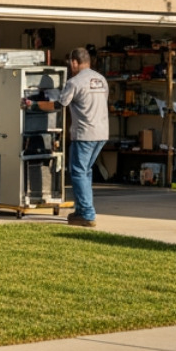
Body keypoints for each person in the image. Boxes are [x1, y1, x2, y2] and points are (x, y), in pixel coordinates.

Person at [39, 48, 109, 227]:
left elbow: (59, 104)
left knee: (78, 172)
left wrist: (33, 104)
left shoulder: (74, 82)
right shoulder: (101, 80)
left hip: (84, 134)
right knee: (85, 172)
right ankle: (81, 210)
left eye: (70, 63)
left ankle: (86, 213)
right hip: (101, 134)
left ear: (74, 62)